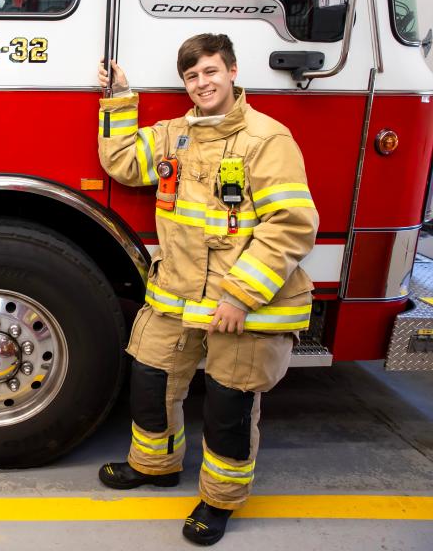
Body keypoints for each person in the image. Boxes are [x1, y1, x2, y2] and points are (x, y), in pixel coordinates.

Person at [95, 33, 317, 546]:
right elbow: (124, 161)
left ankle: (219, 501)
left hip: (243, 306)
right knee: (150, 380)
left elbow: (292, 223)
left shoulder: (267, 139)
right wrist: (118, 99)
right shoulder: (176, 134)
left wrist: (240, 295)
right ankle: (155, 466)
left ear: (233, 72)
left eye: (211, 72)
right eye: (192, 76)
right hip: (176, 296)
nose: (202, 84)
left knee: (228, 407)